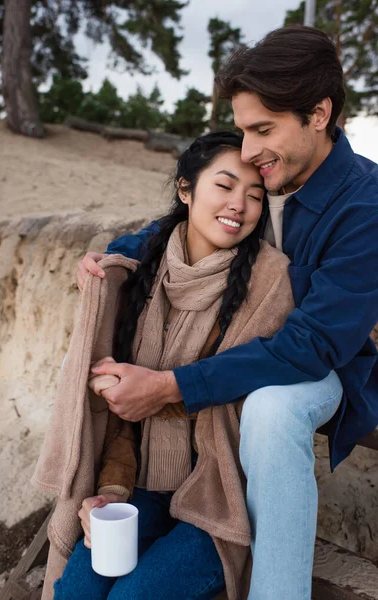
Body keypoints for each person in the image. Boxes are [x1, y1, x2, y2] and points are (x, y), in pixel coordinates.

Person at [77, 25, 378, 600]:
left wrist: (170, 386)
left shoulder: (365, 205)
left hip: (323, 369)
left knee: (269, 410)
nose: (247, 152)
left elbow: (314, 346)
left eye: (263, 130)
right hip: (233, 356)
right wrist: (113, 256)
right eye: (242, 130)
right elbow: (182, 225)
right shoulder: (263, 175)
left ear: (319, 114)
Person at [53, 131, 296, 600]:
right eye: (224, 187)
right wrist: (112, 491)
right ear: (186, 190)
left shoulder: (268, 281)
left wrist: (156, 391)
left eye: (254, 195)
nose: (239, 206)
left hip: (220, 498)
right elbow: (123, 411)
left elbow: (246, 400)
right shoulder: (143, 272)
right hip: (141, 485)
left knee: (132, 596)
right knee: (77, 591)